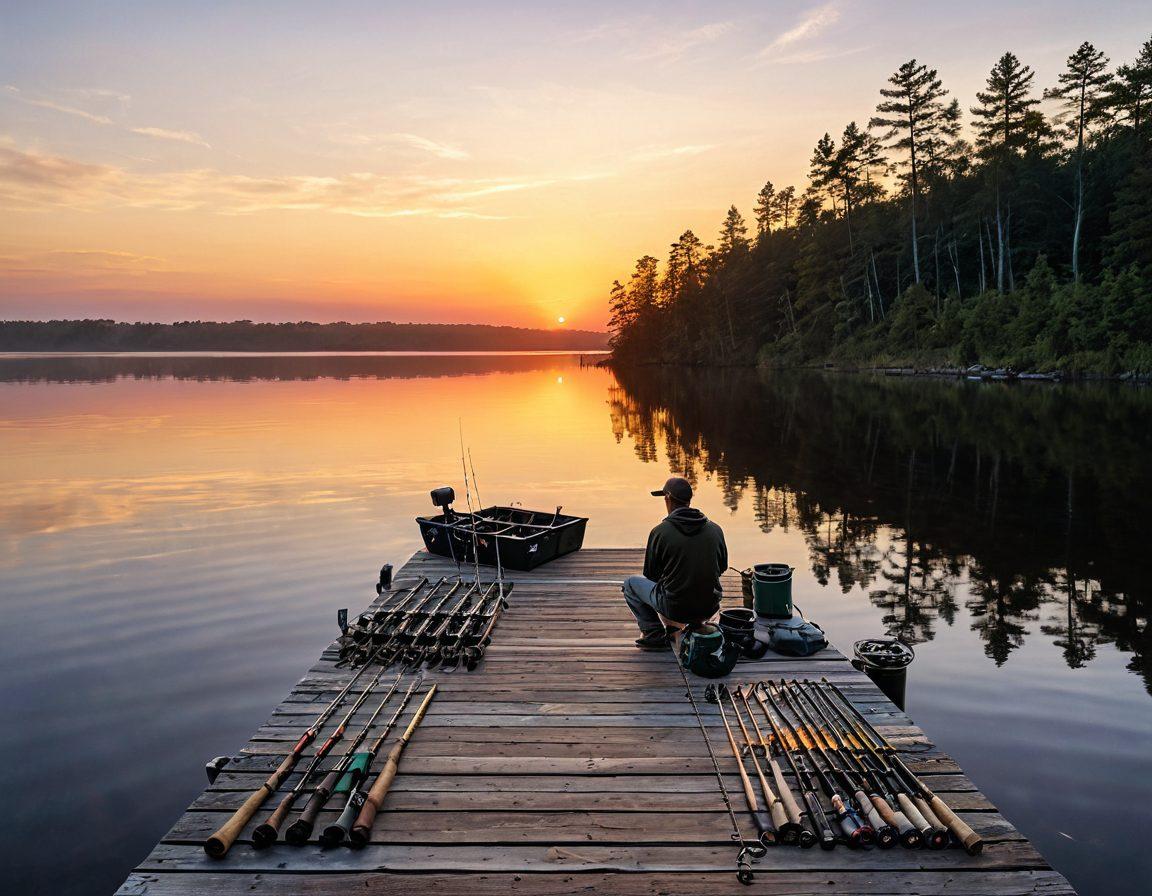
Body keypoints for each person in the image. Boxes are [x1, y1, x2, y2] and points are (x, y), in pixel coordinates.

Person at [623, 476, 728, 650]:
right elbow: (722, 568)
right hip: (709, 607)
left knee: (630, 584)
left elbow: (651, 575)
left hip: (675, 609)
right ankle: (694, 624)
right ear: (688, 501)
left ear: (667, 498)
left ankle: (653, 633)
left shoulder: (659, 532)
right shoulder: (715, 529)